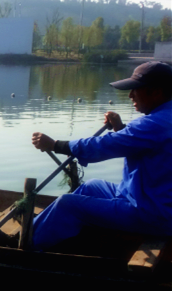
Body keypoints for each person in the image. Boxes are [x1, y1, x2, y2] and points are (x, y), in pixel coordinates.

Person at [30, 61, 172, 250]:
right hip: (147, 198)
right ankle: (42, 227)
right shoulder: (165, 117)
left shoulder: (155, 124)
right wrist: (120, 128)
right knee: (91, 185)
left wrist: (56, 145)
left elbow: (105, 146)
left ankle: (25, 245)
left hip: (154, 214)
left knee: (67, 204)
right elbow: (143, 143)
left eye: (136, 90)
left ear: (156, 92)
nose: (130, 95)